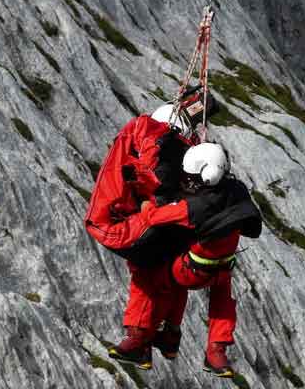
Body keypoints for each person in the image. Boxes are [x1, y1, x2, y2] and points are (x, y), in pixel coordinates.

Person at [108, 143, 262, 378]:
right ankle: (215, 352)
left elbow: (154, 217)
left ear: (206, 175)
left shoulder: (196, 207)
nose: (188, 182)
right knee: (222, 300)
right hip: (223, 267)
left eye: (192, 178)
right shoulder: (236, 189)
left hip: (192, 271)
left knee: (148, 274)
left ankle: (139, 339)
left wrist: (146, 203)